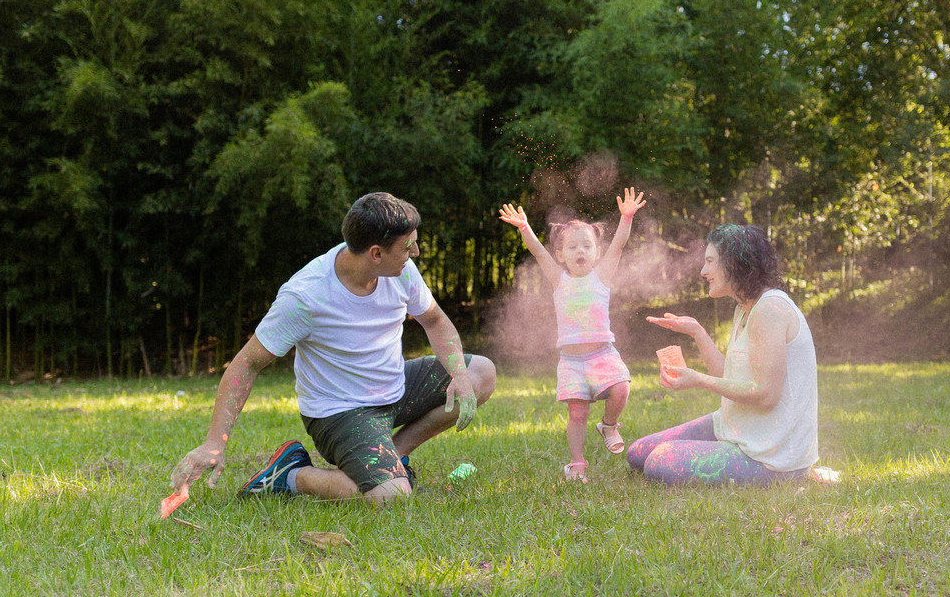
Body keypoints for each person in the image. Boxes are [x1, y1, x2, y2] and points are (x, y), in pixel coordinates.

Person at [170, 192, 496, 505]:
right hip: (341, 412)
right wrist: (216, 441)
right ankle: (291, 476)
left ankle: (392, 458)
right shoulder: (305, 297)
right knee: (391, 497)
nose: (417, 252)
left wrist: (458, 374)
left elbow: (435, 321)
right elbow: (247, 364)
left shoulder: (401, 271)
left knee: (480, 372)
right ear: (376, 253)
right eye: (408, 246)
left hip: (393, 389)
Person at [628, 224, 817, 486]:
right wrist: (698, 332)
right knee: (637, 453)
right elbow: (729, 377)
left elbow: (766, 396)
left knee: (660, 461)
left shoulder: (770, 308)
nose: (703, 271)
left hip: (772, 455)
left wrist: (697, 379)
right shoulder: (745, 308)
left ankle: (795, 475)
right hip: (737, 429)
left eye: (710, 261)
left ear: (735, 263)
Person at [499, 188, 646, 482]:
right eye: (573, 247)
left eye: (586, 246)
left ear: (596, 252)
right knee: (577, 414)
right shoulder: (559, 279)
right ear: (561, 254)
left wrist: (626, 218)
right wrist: (524, 227)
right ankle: (577, 463)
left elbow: (617, 246)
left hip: (603, 354)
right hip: (572, 361)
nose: (580, 251)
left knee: (622, 388)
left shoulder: (601, 276)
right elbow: (537, 252)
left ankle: (609, 424)